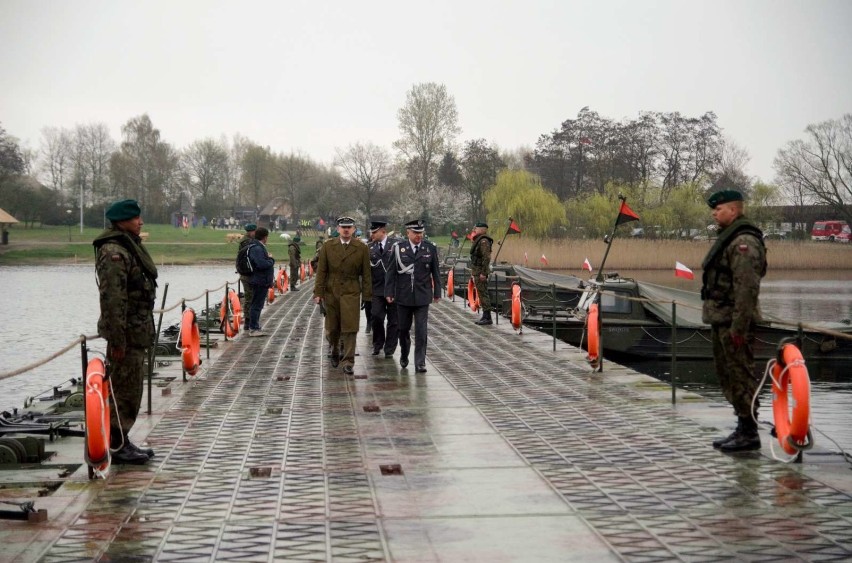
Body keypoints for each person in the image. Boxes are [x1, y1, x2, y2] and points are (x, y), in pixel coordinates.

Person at [701, 189, 767, 452]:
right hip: (722, 318)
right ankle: (742, 426)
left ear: (734, 210)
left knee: (740, 375)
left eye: (718, 209)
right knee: (728, 375)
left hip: (734, 322)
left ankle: (749, 432)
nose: (714, 214)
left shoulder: (744, 242)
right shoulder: (730, 239)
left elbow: (746, 288)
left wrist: (740, 327)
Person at [93, 199, 157, 465]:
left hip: (136, 329)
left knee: (131, 388)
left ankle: (122, 439)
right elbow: (113, 300)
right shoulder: (113, 252)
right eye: (135, 218)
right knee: (123, 390)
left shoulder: (128, 246)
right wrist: (118, 339)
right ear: (121, 221)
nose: (140, 222)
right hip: (126, 334)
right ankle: (117, 445)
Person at [313, 216, 372, 375]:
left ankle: (348, 361)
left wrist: (367, 296)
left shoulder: (361, 248)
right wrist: (318, 292)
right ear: (338, 229)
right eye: (343, 227)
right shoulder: (328, 246)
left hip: (351, 290)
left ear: (353, 229)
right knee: (332, 327)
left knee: (350, 327)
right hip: (331, 291)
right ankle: (334, 349)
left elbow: (366, 274)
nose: (346, 230)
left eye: (349, 227)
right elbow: (321, 271)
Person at [385, 219, 441, 373]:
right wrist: (389, 292)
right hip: (403, 296)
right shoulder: (398, 248)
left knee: (421, 330)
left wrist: (437, 292)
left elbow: (435, 273)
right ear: (408, 233)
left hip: (423, 296)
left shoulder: (429, 248)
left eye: (420, 232)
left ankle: (420, 362)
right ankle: (404, 353)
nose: (418, 235)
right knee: (403, 330)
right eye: (415, 232)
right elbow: (391, 272)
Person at [368, 218, 398, 358]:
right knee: (376, 316)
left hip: (393, 289)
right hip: (377, 289)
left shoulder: (396, 246)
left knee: (394, 320)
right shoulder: (370, 248)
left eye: (375, 232)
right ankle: (378, 343)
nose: (372, 235)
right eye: (372, 232)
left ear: (383, 231)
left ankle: (390, 348)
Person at [247, 227, 275, 336]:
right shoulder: (257, 248)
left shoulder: (258, 247)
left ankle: (256, 326)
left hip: (262, 280)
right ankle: (253, 328)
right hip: (260, 280)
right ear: (265, 237)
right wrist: (271, 260)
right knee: (256, 305)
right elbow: (261, 264)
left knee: (258, 304)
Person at [470, 221, 493, 325]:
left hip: (480, 272)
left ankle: (487, 316)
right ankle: (485, 315)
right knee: (481, 293)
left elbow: (486, 257)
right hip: (477, 270)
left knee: (483, 293)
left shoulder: (483, 241)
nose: (475, 229)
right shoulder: (479, 240)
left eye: (477, 228)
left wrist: (484, 273)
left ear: (483, 229)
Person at [238, 223, 257, 330]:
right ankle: (248, 321)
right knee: (249, 297)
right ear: (250, 232)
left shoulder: (247, 241)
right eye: (254, 231)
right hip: (247, 274)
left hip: (248, 273)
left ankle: (250, 320)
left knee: (250, 296)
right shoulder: (247, 242)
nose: (255, 233)